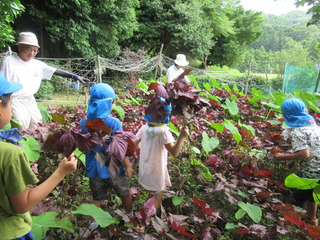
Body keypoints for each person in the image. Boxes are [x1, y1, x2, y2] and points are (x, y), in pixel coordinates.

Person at [0, 73, 78, 240]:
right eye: (12, 103)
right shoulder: (9, 154)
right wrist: (61, 172)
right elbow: (22, 205)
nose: (12, 108)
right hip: (9, 232)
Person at [0, 31, 87, 129]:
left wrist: (74, 76)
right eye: (29, 49)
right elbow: (2, 85)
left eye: (35, 50)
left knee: (38, 125)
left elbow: (54, 70)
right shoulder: (9, 61)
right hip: (15, 100)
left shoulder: (36, 64)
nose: (32, 53)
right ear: (20, 47)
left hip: (30, 100)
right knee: (21, 126)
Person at [79, 83, 133, 229]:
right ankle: (129, 213)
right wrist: (127, 165)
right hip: (114, 167)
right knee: (124, 192)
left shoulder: (84, 122)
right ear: (109, 104)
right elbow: (121, 148)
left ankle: (93, 222)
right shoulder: (114, 123)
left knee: (97, 197)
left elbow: (82, 145)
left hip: (94, 168)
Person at [134, 96, 189, 215]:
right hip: (157, 172)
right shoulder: (163, 132)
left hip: (145, 169)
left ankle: (145, 214)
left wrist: (147, 148)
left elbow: (135, 146)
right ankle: (147, 220)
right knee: (157, 198)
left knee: (151, 194)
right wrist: (182, 137)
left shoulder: (144, 128)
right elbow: (175, 152)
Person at [274, 98, 320, 226]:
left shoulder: (298, 132)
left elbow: (305, 154)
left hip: (313, 171)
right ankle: (311, 218)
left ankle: (292, 220)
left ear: (285, 116)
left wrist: (282, 157)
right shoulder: (312, 124)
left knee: (298, 196)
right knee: (313, 194)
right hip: (317, 168)